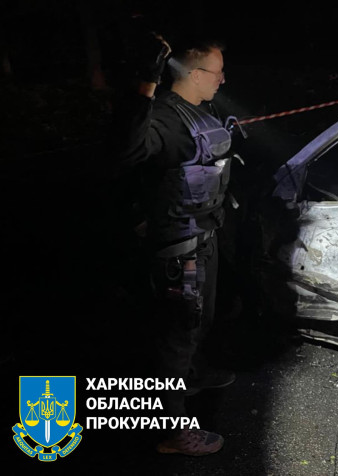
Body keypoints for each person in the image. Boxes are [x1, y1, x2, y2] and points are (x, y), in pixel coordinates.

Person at [111, 32, 239, 456]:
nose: (222, 80)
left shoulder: (200, 109)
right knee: (177, 337)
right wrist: (144, 85)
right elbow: (126, 151)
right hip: (179, 250)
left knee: (200, 322)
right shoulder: (164, 117)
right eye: (217, 73)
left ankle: (193, 378)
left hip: (204, 239)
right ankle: (174, 432)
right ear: (195, 74)